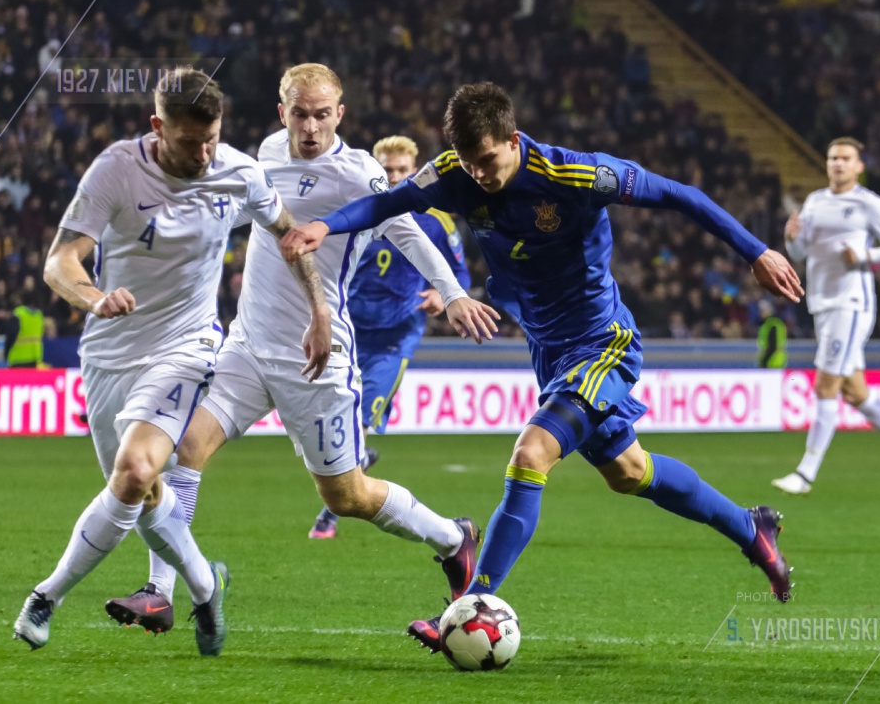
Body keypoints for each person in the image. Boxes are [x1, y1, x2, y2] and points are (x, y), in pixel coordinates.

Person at [282, 81, 805, 653]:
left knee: (531, 455)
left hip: (602, 343)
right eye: (469, 162)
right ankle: (752, 529)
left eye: (487, 160)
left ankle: (471, 603)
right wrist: (325, 227)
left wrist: (757, 251)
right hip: (549, 349)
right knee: (629, 471)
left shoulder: (577, 175)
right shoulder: (454, 172)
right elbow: (388, 202)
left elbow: (681, 195)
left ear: (513, 139)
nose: (478, 174)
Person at [104, 64, 500, 634]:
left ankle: (451, 537)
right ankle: (159, 591)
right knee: (183, 448)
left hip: (318, 359)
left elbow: (409, 233)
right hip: (246, 347)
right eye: (299, 114)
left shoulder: (359, 173)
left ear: (340, 114)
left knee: (346, 497)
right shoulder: (267, 153)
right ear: (281, 112)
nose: (310, 127)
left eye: (321, 115)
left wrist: (453, 292)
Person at [13, 67, 332, 657]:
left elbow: (291, 235)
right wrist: (94, 297)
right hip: (110, 353)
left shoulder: (239, 172)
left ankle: (45, 598)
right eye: (190, 142)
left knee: (136, 471)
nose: (204, 154)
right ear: (158, 127)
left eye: (212, 139)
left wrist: (319, 310)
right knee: (142, 495)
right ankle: (206, 586)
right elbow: (60, 261)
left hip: (187, 348)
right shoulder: (116, 168)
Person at [308, 135, 472, 540]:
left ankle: (329, 512)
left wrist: (441, 294)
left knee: (362, 418)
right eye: (387, 170)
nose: (395, 177)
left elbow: (460, 273)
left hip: (397, 335)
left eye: (402, 170)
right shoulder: (358, 211)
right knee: (334, 415)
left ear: (415, 171)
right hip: (350, 328)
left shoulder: (437, 221)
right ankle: (358, 460)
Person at [772, 137, 880, 495]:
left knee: (825, 385)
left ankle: (805, 474)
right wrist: (791, 238)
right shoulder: (815, 202)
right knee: (855, 392)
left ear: (859, 166)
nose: (838, 163)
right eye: (833, 158)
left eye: (846, 158)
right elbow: (800, 251)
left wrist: (865, 255)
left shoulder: (870, 204)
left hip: (852, 304)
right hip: (821, 303)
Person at [4, 291, 45, 368]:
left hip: (18, 358)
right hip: (34, 358)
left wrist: (6, 353)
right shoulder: (39, 315)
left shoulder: (19, 314)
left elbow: (11, 336)